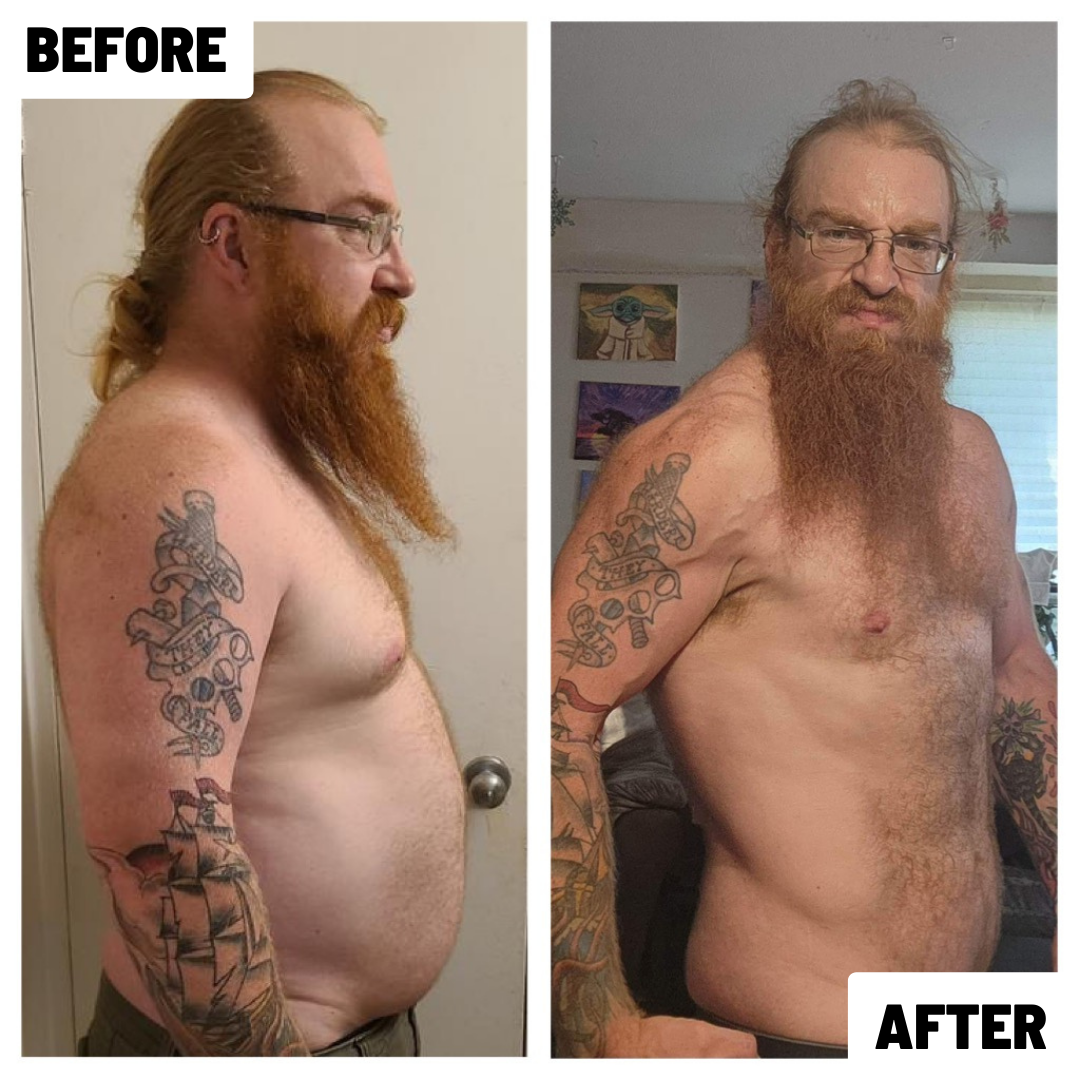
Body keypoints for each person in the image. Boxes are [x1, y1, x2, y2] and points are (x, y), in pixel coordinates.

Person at [551, 79, 1057, 1058]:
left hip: (973, 1029)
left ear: (945, 264)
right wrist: (597, 1022)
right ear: (778, 244)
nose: (880, 273)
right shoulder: (703, 461)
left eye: (915, 242)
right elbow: (553, 710)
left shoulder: (971, 456)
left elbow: (1018, 680)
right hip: (792, 1032)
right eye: (840, 233)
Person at [38, 70, 465, 1056]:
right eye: (361, 226)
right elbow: (161, 853)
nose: (400, 271)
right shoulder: (175, 476)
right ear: (232, 243)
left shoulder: (257, 446)